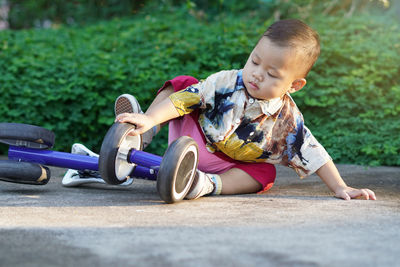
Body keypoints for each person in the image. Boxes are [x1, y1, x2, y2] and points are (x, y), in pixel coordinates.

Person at [116, 19, 375, 201]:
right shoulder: (227, 82)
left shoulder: (287, 120)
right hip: (192, 139)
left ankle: (204, 185)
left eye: (271, 74)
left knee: (265, 173)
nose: (256, 75)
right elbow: (187, 99)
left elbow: (314, 153)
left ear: (294, 85)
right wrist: (151, 118)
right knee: (185, 84)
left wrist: (341, 187)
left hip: (226, 166)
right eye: (255, 61)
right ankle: (144, 130)